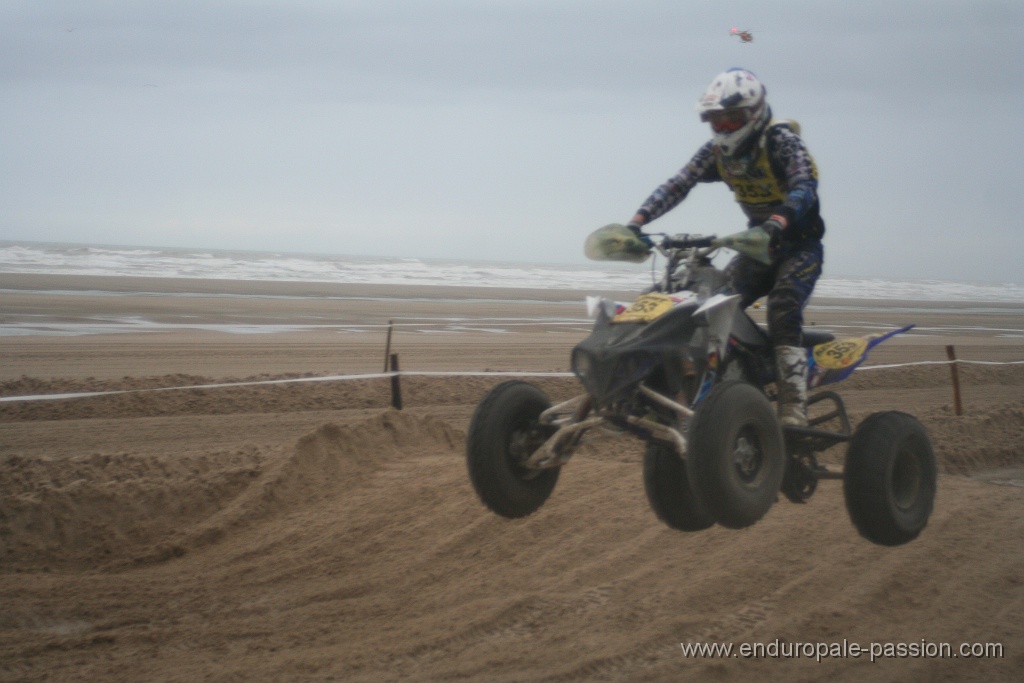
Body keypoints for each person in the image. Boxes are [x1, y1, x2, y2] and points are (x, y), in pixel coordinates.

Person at [625, 68, 825, 427]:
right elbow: (678, 184)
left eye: (733, 119)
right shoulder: (718, 152)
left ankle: (793, 403)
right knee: (712, 301)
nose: (725, 128)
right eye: (717, 120)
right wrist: (637, 222)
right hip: (757, 249)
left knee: (783, 304)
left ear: (754, 113)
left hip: (799, 247)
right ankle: (719, 382)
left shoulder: (780, 141)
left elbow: (804, 186)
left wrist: (777, 222)